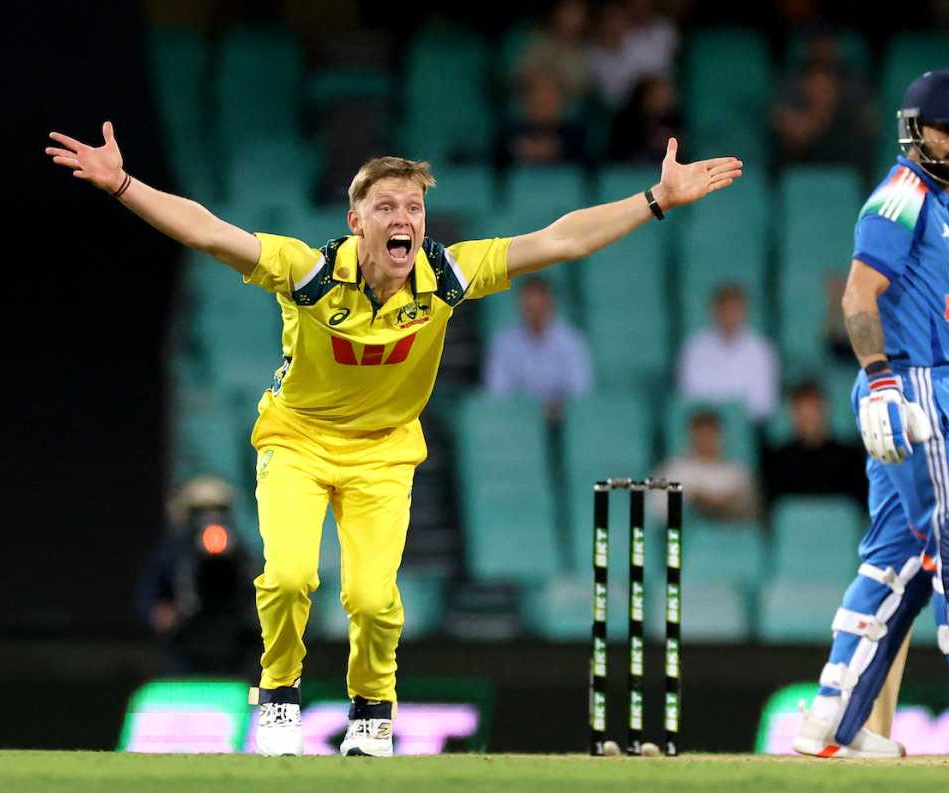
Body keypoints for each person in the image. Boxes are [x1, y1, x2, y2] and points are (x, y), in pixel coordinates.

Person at [46, 123, 741, 757]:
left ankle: (372, 715)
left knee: (374, 600)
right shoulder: (307, 272)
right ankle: (280, 697)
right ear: (356, 223)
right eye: (386, 207)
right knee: (289, 578)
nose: (403, 218)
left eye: (413, 207)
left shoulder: (445, 276)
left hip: (382, 450)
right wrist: (124, 185)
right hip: (297, 441)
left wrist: (655, 198)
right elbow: (208, 232)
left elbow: (559, 240)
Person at [792, 70, 949, 760]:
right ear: (916, 131)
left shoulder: (937, 203)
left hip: (932, 388)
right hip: (908, 394)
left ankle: (829, 725)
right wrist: (883, 384)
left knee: (896, 557)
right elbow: (857, 297)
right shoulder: (902, 198)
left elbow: (924, 314)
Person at [136, 475, 257, 676]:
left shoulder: (241, 552)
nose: (210, 517)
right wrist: (159, 612)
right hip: (185, 642)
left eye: (218, 509)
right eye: (200, 510)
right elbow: (148, 593)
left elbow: (254, 588)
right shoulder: (173, 551)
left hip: (235, 643)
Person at [484, 277, 593, 418]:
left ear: (551, 305)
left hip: (565, 419)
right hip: (518, 420)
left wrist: (557, 408)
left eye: (539, 308)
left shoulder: (572, 341)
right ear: (520, 307)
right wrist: (529, 411)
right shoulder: (504, 343)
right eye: (529, 309)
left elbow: (582, 391)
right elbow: (496, 393)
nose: (534, 315)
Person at [676, 284, 779, 421]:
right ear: (714, 312)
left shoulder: (762, 350)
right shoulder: (694, 349)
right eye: (724, 310)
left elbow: (764, 403)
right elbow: (691, 395)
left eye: (735, 310)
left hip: (751, 426)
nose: (730, 316)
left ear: (745, 312)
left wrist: (734, 415)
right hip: (706, 425)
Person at [762, 380, 866, 506]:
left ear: (825, 410)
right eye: (802, 413)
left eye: (813, 411)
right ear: (793, 415)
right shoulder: (777, 461)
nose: (809, 419)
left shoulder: (850, 458)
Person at [651, 409, 761, 523]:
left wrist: (723, 505)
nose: (706, 441)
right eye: (701, 435)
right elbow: (658, 514)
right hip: (690, 535)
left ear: (721, 436)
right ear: (691, 436)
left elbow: (754, 515)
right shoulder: (674, 469)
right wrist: (694, 500)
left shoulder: (738, 472)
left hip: (734, 535)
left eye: (710, 434)